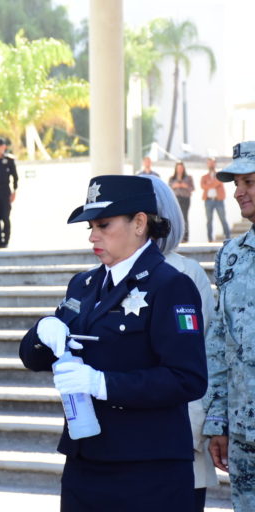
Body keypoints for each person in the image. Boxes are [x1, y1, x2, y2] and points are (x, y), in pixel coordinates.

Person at [19, 175, 207, 511]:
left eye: (104, 225)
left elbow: (187, 378)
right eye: (90, 226)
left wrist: (101, 383)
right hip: (86, 460)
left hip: (147, 468)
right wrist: (42, 332)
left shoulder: (170, 285)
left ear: (139, 223)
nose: (93, 236)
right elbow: (33, 358)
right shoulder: (84, 284)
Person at [140, 174, 218, 511]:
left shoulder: (186, 274)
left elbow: (209, 352)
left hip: (181, 434)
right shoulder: (99, 279)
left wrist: (206, 426)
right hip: (120, 444)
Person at [203, 141, 255, 512]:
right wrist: (218, 420)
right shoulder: (231, 254)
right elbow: (220, 341)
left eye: (249, 182)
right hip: (242, 434)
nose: (238, 192)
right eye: (236, 183)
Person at [200, 157, 231, 242]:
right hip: (208, 201)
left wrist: (209, 184)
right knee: (209, 220)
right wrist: (213, 184)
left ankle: (228, 237)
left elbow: (218, 182)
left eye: (212, 163)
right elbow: (203, 186)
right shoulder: (204, 177)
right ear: (207, 164)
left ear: (215, 164)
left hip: (219, 200)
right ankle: (210, 239)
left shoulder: (219, 175)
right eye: (209, 163)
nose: (211, 164)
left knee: (223, 219)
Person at [168, 161, 194, 243]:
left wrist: (183, 185)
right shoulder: (172, 178)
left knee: (184, 217)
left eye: (181, 168)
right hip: (175, 200)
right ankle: (176, 237)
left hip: (185, 199)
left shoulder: (188, 178)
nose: (180, 169)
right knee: (175, 218)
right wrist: (179, 185)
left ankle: (185, 238)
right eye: (178, 168)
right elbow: (170, 187)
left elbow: (192, 188)